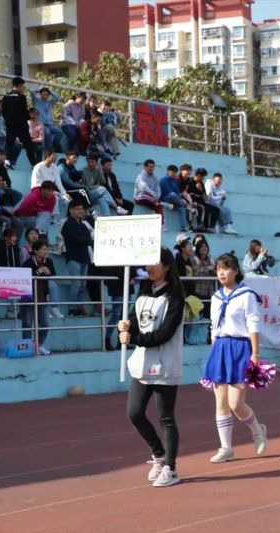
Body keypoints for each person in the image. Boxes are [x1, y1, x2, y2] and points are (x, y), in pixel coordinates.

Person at [118, 247, 185, 488]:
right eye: (147, 263)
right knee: (134, 413)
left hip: (164, 364)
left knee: (166, 417)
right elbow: (135, 321)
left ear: (166, 266)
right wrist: (126, 327)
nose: (149, 268)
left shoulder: (175, 297)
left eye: (154, 263)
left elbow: (165, 333)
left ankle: (171, 468)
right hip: (142, 363)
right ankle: (159, 454)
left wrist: (134, 338)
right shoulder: (144, 292)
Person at [202, 253, 269, 463]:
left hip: (240, 348)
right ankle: (226, 448)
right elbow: (214, 326)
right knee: (220, 402)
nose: (221, 272)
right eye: (218, 269)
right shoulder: (216, 297)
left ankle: (257, 429)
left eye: (226, 268)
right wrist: (214, 351)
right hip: (220, 348)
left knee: (236, 403)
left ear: (236, 271)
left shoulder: (246, 294)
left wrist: (255, 354)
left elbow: (253, 324)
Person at [20, 239, 56, 356]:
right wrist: (39, 271)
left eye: (47, 249)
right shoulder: (28, 263)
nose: (46, 251)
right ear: (35, 251)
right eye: (43, 249)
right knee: (27, 324)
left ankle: (38, 345)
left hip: (43, 297)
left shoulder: (49, 261)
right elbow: (24, 278)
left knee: (45, 324)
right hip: (29, 298)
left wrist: (49, 273)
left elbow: (54, 275)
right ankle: (28, 347)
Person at [61, 200, 94, 316]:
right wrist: (85, 240)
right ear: (71, 210)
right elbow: (76, 239)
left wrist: (85, 239)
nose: (81, 211)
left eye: (82, 209)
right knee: (76, 284)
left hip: (84, 258)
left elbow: (88, 238)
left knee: (82, 285)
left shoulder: (83, 225)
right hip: (73, 258)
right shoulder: (68, 224)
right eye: (78, 209)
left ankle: (80, 307)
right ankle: (72, 309)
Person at [2, 76, 38, 167]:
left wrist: (8, 120)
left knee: (9, 144)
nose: (23, 88)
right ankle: (33, 164)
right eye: (22, 86)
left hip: (10, 125)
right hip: (21, 126)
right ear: (20, 86)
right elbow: (23, 111)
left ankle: (7, 161)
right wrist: (29, 117)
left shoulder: (6, 96)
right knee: (29, 146)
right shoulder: (21, 97)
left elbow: (4, 111)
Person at [159, 165, 195, 231]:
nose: (174, 173)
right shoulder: (164, 179)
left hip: (174, 201)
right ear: (168, 171)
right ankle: (187, 207)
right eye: (172, 172)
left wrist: (181, 200)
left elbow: (178, 193)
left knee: (182, 209)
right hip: (164, 199)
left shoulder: (175, 181)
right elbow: (168, 191)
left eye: (175, 172)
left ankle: (183, 227)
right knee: (173, 194)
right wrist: (180, 201)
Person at [30, 86, 62, 152]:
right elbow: (31, 91)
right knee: (47, 132)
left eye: (47, 95)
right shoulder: (36, 101)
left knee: (59, 132)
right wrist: (40, 89)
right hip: (40, 124)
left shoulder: (50, 103)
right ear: (40, 94)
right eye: (43, 94)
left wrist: (50, 91)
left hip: (50, 124)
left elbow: (57, 97)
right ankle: (46, 149)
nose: (45, 96)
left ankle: (53, 148)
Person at [190, 167, 218, 232]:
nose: (203, 178)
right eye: (202, 176)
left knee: (216, 210)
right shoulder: (190, 181)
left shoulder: (201, 184)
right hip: (193, 202)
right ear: (198, 175)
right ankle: (202, 226)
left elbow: (205, 198)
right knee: (203, 209)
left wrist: (201, 190)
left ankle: (211, 227)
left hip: (202, 202)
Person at [192, 240, 216, 309]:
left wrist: (213, 270)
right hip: (198, 291)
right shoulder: (194, 259)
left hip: (209, 291)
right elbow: (195, 272)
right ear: (198, 249)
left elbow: (215, 273)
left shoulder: (210, 260)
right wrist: (207, 268)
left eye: (205, 246)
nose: (204, 248)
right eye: (202, 247)